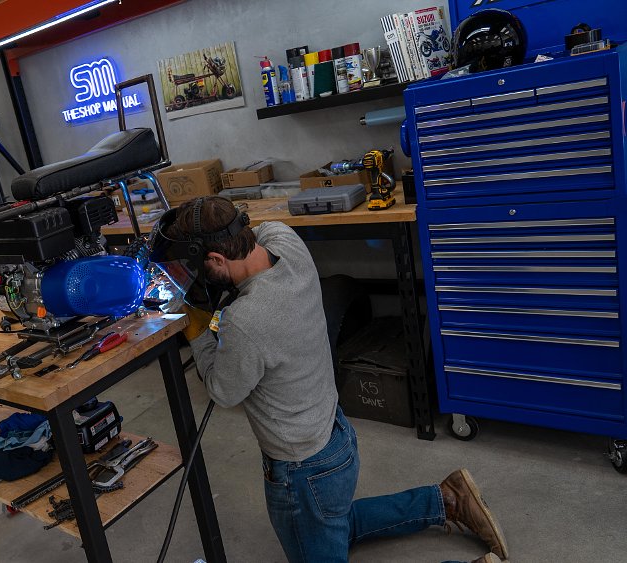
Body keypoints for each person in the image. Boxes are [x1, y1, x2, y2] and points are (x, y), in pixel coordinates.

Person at [148, 196, 508, 563]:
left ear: (217, 260)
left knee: (321, 522)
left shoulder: (245, 320)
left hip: (301, 472)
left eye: (201, 269)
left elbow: (222, 391)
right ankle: (448, 500)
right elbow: (258, 230)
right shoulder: (287, 244)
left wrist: (196, 331)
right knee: (330, 523)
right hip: (334, 438)